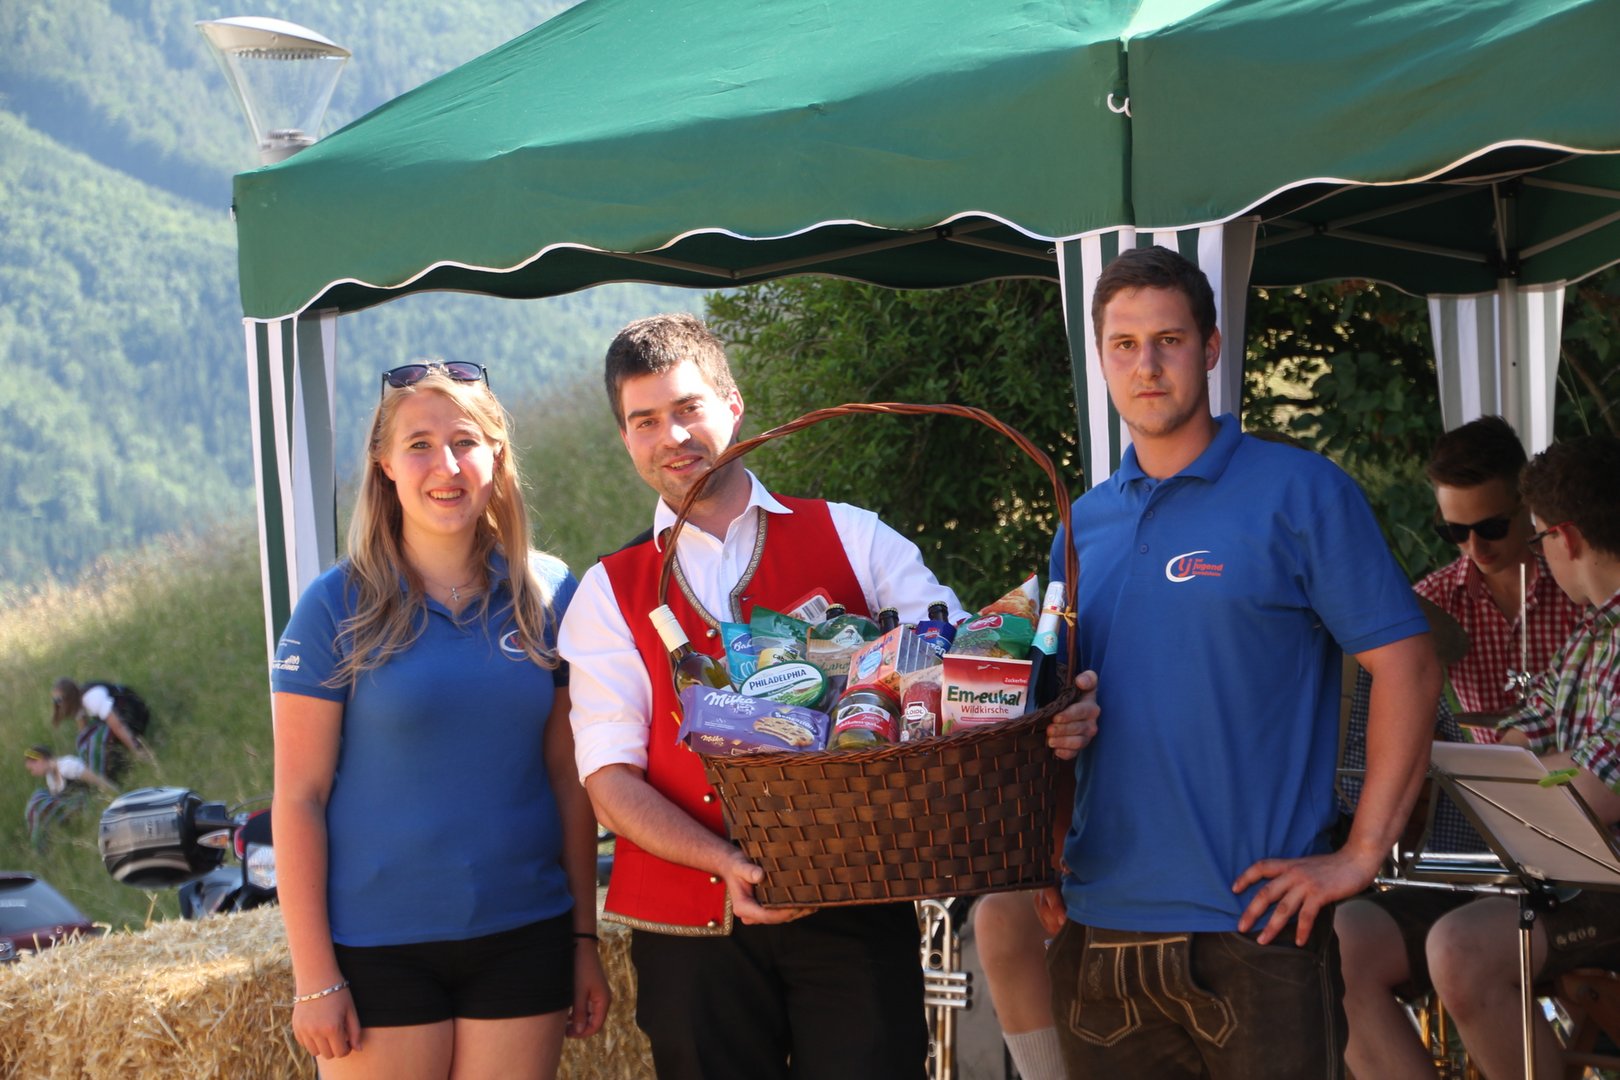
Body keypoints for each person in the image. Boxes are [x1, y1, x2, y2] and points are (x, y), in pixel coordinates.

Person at [557, 313, 1099, 1080]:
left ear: (733, 405)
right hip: (689, 925)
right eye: (645, 421)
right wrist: (723, 860)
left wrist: (1041, 699)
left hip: (857, 896)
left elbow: (966, 670)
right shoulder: (607, 591)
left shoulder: (852, 536)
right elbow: (609, 781)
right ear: (625, 437)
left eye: (688, 408)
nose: (671, 436)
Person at [1043, 245, 1441, 1079]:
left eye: (1170, 340)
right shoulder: (1081, 528)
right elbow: (1060, 711)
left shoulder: (1300, 492)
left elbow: (1409, 664)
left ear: (1212, 347)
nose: (1146, 366)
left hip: (1256, 927)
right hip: (1101, 926)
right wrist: (1044, 834)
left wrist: (1362, 852)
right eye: (1124, 345)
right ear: (1100, 359)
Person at [269, 360, 609, 1080]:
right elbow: (299, 797)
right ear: (385, 464)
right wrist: (315, 976)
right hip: (377, 949)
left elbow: (568, 777)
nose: (445, 467)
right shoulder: (334, 606)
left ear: (497, 456)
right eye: (419, 444)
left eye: (464, 441)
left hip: (525, 934)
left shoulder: (549, 593)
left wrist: (585, 938)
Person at [1337, 415, 1582, 1079]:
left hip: (1577, 851)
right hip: (1480, 852)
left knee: (1466, 954)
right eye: (1455, 532)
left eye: (1492, 527)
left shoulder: (1586, 588)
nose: (1475, 547)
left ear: (1528, 507)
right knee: (1341, 946)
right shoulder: (1431, 603)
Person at [1425, 434, 1620, 1079]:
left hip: (1603, 876)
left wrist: (1543, 772)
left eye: (1535, 539)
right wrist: (1547, 767)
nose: (1534, 554)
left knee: (1458, 949)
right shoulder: (1592, 633)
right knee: (1362, 936)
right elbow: (1521, 737)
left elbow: (1592, 793)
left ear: (1565, 538)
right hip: (1571, 870)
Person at [50, 677, 153, 778]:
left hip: (134, 713)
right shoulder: (78, 702)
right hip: (121, 716)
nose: (57, 704)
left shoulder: (92, 698)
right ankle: (99, 771)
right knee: (87, 739)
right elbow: (84, 733)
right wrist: (85, 758)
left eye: (58, 700)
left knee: (98, 738)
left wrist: (136, 750)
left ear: (69, 698)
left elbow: (118, 726)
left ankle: (110, 772)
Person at [23, 744, 115, 850]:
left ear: (40, 760)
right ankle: (41, 841)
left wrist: (116, 796)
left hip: (87, 802)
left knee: (38, 796)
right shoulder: (50, 778)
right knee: (38, 806)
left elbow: (98, 781)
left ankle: (40, 846)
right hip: (72, 809)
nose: (33, 773)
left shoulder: (67, 766)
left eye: (32, 769)